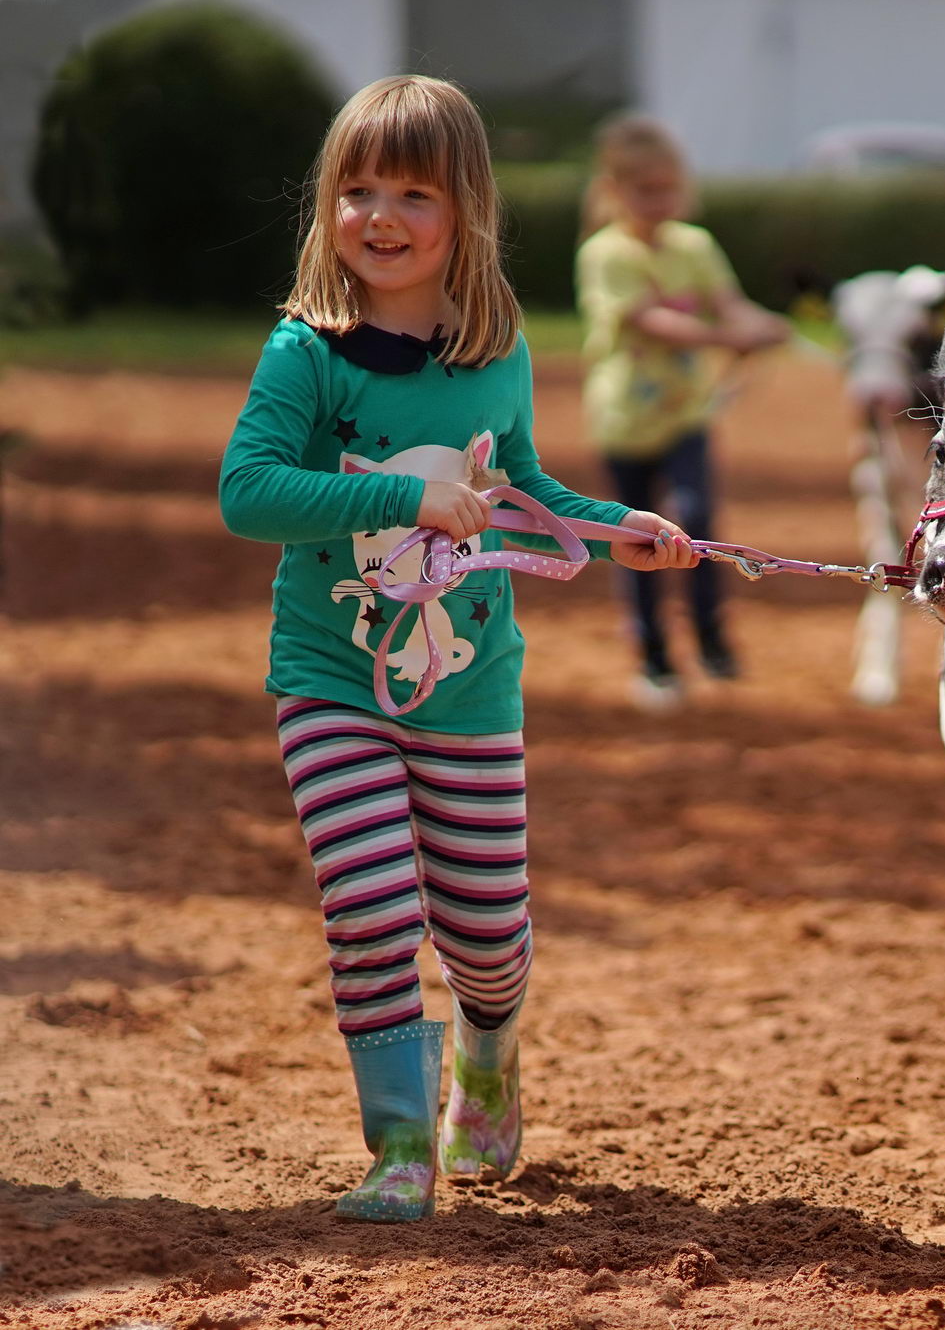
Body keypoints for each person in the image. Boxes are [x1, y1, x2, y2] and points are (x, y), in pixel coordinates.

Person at [219, 75, 697, 1223]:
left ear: (465, 211)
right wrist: (399, 497)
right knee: (371, 901)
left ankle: (488, 1050)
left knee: (484, 934)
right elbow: (248, 492)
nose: (379, 215)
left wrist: (612, 529)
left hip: (470, 688)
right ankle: (398, 1148)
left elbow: (518, 485)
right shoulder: (307, 353)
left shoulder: (497, 351)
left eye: (412, 193)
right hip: (330, 677)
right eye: (357, 189)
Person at [575, 115, 791, 711]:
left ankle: (713, 643)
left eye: (668, 187)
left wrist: (761, 326)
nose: (660, 201)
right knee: (635, 537)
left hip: (685, 417)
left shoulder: (694, 246)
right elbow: (651, 321)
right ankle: (655, 659)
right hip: (624, 422)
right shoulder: (606, 254)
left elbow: (730, 303)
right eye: (645, 189)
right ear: (615, 190)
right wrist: (729, 340)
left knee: (696, 526)